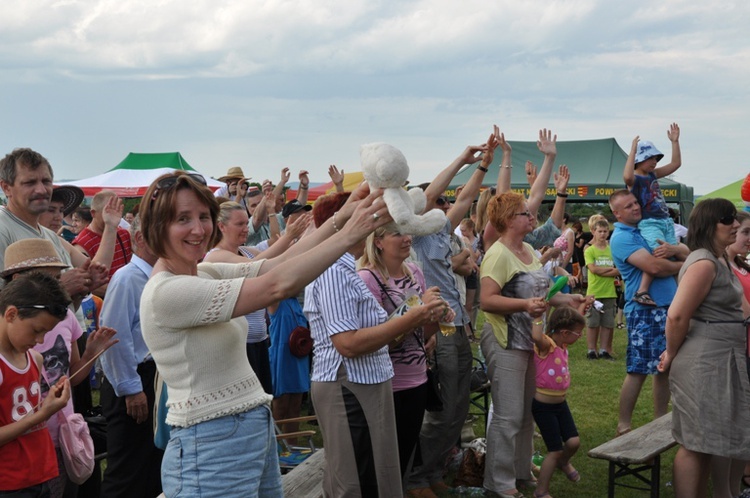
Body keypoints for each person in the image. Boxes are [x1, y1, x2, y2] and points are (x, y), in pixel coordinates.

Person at [138, 171, 392, 497]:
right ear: (156, 226)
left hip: (248, 428)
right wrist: (350, 233)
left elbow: (278, 263)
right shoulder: (167, 292)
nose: (199, 229)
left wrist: (341, 218)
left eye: (203, 216)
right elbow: (276, 286)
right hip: (210, 443)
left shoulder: (203, 272)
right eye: (182, 219)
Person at [304, 192, 448, 497]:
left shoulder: (345, 267)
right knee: (357, 482)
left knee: (373, 475)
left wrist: (424, 316)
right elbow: (347, 344)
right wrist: (414, 316)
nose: (375, 219)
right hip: (349, 385)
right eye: (369, 213)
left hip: (365, 384)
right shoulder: (334, 269)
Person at [479, 190, 589, 498]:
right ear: (506, 220)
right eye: (524, 213)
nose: (532, 217)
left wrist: (570, 299)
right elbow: (487, 300)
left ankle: (519, 471)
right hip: (506, 342)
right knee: (508, 414)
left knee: (527, 413)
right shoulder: (498, 254)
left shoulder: (526, 248)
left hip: (529, 342)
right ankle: (498, 484)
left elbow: (543, 293)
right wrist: (525, 306)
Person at [406, 129, 497, 498]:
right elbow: (429, 196)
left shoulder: (441, 232)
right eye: (439, 202)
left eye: (446, 203)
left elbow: (467, 198)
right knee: (442, 409)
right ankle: (415, 478)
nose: (445, 206)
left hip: (457, 325)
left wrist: (483, 167)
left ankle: (433, 471)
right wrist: (462, 159)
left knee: (459, 410)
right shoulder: (418, 233)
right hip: (437, 327)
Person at [2, 238, 117, 498]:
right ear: (19, 279)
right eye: (48, 279)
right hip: (17, 461)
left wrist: (90, 354)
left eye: (57, 278)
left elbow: (71, 374)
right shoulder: (14, 330)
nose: (40, 339)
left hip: (59, 438)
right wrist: (41, 415)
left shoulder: (62, 317)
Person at [657, 199, 750, 498]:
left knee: (709, 440)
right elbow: (677, 315)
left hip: (720, 359)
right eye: (728, 219)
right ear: (710, 224)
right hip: (705, 361)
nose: (735, 225)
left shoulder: (719, 258)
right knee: (695, 443)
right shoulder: (704, 262)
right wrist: (671, 353)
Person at [358, 225, 450, 485]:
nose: (407, 238)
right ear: (378, 242)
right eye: (397, 234)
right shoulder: (368, 279)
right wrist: (417, 315)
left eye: (407, 232)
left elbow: (421, 332)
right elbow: (376, 341)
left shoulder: (414, 273)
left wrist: (437, 316)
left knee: (404, 458)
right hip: (388, 382)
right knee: (384, 463)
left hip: (417, 378)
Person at [203, 201, 310, 394]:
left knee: (263, 401)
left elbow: (279, 259)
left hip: (258, 341)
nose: (246, 229)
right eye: (240, 224)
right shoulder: (215, 257)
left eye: (246, 223)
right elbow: (258, 266)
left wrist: (310, 235)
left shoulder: (246, 251)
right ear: (221, 226)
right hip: (236, 347)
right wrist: (289, 237)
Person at [608, 189, 688, 436]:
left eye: (635, 203)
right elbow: (654, 266)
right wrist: (682, 265)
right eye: (628, 206)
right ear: (616, 213)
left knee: (665, 366)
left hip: (668, 306)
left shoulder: (645, 228)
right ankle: (624, 425)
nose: (635, 207)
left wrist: (677, 258)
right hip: (644, 310)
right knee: (638, 369)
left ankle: (660, 421)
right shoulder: (621, 237)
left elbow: (684, 251)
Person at [98, 214, 164, 498]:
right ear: (140, 239)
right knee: (128, 470)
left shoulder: (157, 276)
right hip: (134, 379)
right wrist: (131, 388)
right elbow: (113, 338)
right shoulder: (127, 278)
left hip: (153, 376)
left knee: (154, 463)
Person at [0, 272, 72, 496]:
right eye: (36, 330)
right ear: (11, 314)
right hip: (9, 482)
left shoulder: (34, 358)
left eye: (46, 333)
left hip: (39, 474)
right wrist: (42, 414)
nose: (40, 341)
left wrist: (48, 403)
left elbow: (23, 413)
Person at [529, 306, 588, 498]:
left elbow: (570, 324)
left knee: (573, 442)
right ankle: (541, 490)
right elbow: (537, 336)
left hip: (560, 405)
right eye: (578, 333)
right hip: (544, 408)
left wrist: (581, 307)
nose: (580, 336)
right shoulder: (547, 345)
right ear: (564, 332)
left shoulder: (563, 344)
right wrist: (537, 317)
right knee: (554, 451)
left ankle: (563, 462)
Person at [623, 123, 682, 306]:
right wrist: (632, 151)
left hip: (665, 221)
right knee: (659, 253)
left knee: (676, 254)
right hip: (649, 222)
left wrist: (675, 142)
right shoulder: (635, 179)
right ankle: (642, 290)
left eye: (656, 158)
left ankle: (681, 291)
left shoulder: (653, 174)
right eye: (650, 158)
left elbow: (676, 164)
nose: (655, 162)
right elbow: (626, 177)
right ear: (639, 159)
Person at [727, 210, 750, 494]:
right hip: (739, 349)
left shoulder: (742, 266)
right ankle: (744, 474)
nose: (748, 239)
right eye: (745, 232)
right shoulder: (725, 268)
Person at [72, 190, 132, 288]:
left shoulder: (123, 234)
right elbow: (86, 283)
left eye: (117, 210)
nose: (114, 216)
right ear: (93, 213)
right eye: (108, 211)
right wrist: (118, 291)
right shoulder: (81, 244)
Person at [584, 219, 620, 360]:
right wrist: (610, 270)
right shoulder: (590, 250)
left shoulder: (612, 250)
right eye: (600, 231)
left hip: (609, 292)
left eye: (605, 231)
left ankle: (604, 349)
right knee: (592, 323)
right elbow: (593, 269)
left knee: (607, 323)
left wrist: (604, 271)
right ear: (593, 232)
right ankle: (591, 350)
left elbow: (619, 270)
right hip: (594, 291)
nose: (603, 234)